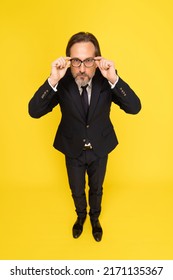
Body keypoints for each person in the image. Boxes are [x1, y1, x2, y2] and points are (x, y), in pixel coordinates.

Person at [28, 32, 141, 242]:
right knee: (77, 190)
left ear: (97, 60)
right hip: (72, 147)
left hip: (100, 146)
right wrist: (53, 79)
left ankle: (95, 219)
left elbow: (134, 108)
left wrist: (114, 78)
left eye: (88, 61)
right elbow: (34, 111)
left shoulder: (106, 79)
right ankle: (80, 217)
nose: (82, 68)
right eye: (76, 61)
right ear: (68, 61)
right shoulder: (62, 82)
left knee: (96, 189)